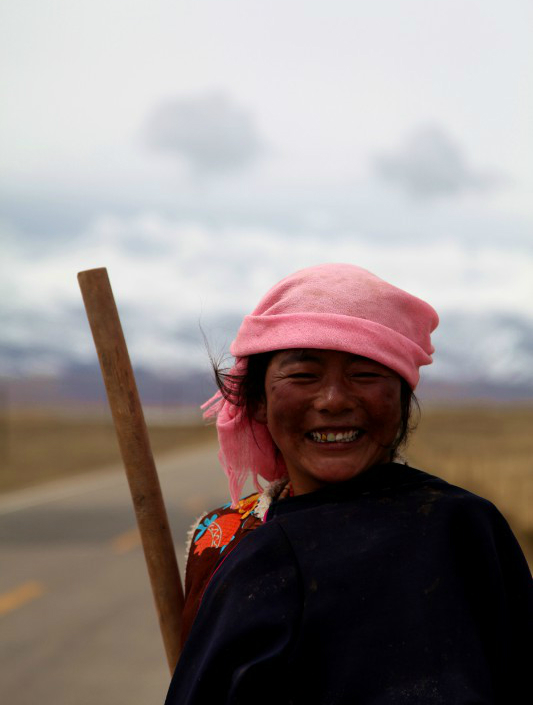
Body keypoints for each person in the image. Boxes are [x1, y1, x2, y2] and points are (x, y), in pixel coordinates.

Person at [165, 263, 532, 705]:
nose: (334, 400)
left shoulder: (461, 527)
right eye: (303, 376)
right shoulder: (224, 538)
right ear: (259, 401)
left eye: (365, 374)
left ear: (401, 399)